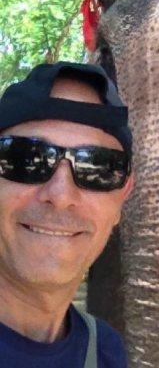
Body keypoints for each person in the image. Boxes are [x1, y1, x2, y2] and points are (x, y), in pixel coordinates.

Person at [0, 61, 135, 368]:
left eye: (97, 167)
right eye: (26, 158)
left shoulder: (106, 351)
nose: (60, 197)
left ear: (123, 195)